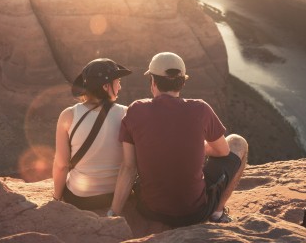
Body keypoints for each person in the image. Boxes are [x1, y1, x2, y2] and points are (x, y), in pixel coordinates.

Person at [108, 52, 248, 225]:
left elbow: (129, 167)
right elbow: (223, 151)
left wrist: (113, 214)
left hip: (149, 210)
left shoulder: (135, 110)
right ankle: (217, 214)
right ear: (182, 82)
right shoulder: (201, 109)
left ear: (153, 82)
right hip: (193, 213)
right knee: (238, 142)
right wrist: (198, 147)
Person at [52, 58, 132, 209]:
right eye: (118, 82)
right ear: (106, 86)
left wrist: (56, 198)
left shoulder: (68, 115)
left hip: (80, 198)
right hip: (115, 195)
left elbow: (61, 165)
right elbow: (130, 164)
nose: (120, 87)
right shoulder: (127, 113)